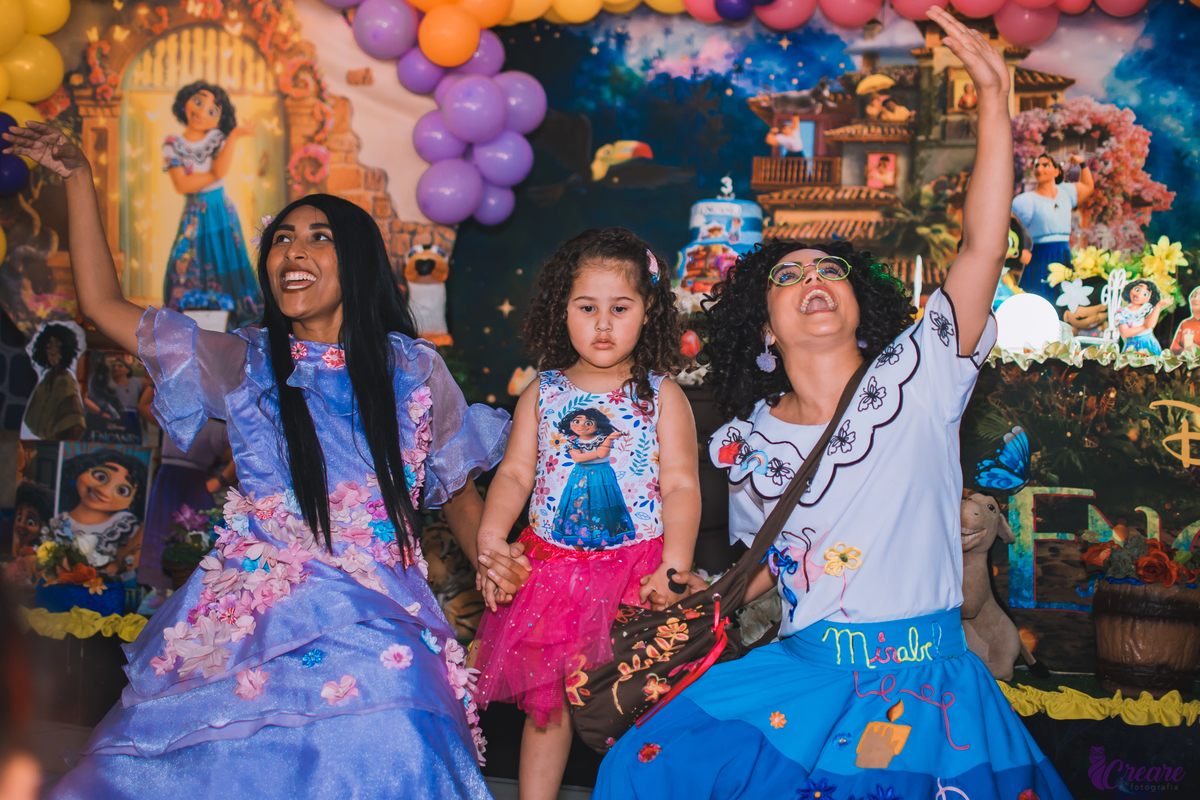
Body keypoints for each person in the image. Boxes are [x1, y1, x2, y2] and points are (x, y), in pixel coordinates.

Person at [593, 10, 1072, 799]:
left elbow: (983, 246)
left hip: (926, 684)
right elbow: (775, 565)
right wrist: (701, 591)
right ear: (764, 329)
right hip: (807, 676)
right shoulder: (749, 441)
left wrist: (995, 100)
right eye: (788, 276)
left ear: (859, 304)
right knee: (642, 770)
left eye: (830, 270)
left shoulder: (921, 375)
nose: (812, 279)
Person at [4, 120, 534, 798]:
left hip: (376, 611)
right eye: (282, 238)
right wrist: (79, 178)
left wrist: (495, 558)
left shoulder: (412, 369)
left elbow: (457, 491)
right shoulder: (242, 359)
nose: (293, 251)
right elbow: (102, 307)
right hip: (250, 616)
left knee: (394, 736)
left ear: (359, 261)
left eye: (318, 237)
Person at [472, 228, 701, 800]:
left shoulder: (661, 395)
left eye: (620, 308)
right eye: (586, 307)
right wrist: (492, 538)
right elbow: (515, 474)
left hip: (634, 573)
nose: (603, 324)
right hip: (551, 576)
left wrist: (674, 567)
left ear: (648, 312)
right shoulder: (542, 391)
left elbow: (680, 484)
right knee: (547, 709)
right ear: (561, 310)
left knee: (637, 702)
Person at [162, 81, 263, 328]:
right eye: (198, 102)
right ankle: (194, 316)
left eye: (212, 111)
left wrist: (234, 135)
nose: (201, 112)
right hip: (193, 214)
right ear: (186, 100)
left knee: (225, 258)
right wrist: (210, 176)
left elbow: (219, 170)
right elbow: (182, 185)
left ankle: (230, 318)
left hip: (220, 212)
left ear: (219, 120)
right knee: (188, 260)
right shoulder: (172, 143)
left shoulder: (217, 138)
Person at [137, 408, 233, 591]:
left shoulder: (215, 429)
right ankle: (159, 591)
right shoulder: (172, 419)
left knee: (194, 536)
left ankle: (194, 590)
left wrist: (219, 481)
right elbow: (144, 406)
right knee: (162, 530)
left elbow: (241, 455)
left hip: (193, 486)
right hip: (167, 485)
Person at [45, 448, 148, 577]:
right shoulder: (56, 522)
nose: (104, 491)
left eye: (122, 490)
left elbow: (127, 563)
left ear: (133, 499)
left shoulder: (126, 525)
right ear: (81, 470)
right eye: (101, 477)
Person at [1011, 150, 1094, 302]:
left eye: (1045, 165)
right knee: (1039, 298)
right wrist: (1019, 251)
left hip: (1063, 254)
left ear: (1056, 171)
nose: (1039, 168)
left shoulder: (1066, 192)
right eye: (1037, 165)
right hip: (1040, 256)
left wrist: (1082, 163)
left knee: (1065, 297)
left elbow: (1088, 186)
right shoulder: (1026, 200)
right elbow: (1009, 226)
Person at [22, 322, 85, 441]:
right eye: (48, 345)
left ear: (65, 348)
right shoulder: (45, 382)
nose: (52, 351)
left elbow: (77, 427)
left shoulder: (66, 385)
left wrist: (61, 445)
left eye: (57, 344)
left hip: (55, 446)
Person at [1114, 278, 1170, 355]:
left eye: (1145, 294)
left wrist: (1158, 305)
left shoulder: (1147, 309)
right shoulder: (1122, 312)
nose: (1139, 295)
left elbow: (1150, 324)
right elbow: (1125, 333)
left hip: (1149, 344)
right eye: (1137, 290)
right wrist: (1145, 326)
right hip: (1131, 346)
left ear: (1150, 299)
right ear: (1130, 289)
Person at [1168, 285, 1200, 355]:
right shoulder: (1184, 323)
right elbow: (1173, 350)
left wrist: (1196, 349)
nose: (1196, 299)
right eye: (1194, 296)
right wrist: (1183, 351)